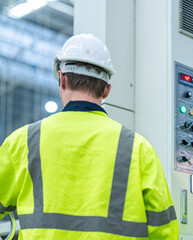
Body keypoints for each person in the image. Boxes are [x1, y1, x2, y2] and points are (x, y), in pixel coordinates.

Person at [0, 33, 179, 239]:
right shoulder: (139, 149)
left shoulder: (23, 142)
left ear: (62, 79)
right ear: (106, 90)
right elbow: (166, 233)